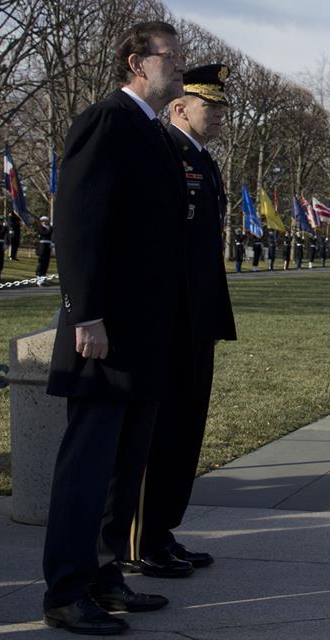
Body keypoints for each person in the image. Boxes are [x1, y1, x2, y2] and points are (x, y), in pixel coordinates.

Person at [41, 20, 187, 635]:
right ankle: (66, 590)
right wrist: (87, 313)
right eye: (171, 58)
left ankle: (104, 576)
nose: (180, 68)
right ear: (137, 62)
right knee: (87, 464)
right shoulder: (108, 120)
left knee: (123, 466)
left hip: (144, 333)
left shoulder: (150, 131)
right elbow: (79, 222)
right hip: (104, 329)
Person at [125, 63, 237, 580]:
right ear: (179, 106)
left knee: (185, 429)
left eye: (220, 107)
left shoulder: (202, 160)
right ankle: (138, 537)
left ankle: (162, 529)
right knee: (158, 431)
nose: (218, 116)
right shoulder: (163, 151)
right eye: (209, 106)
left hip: (197, 314)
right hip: (168, 315)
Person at [35, 216, 54, 285]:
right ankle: (39, 276)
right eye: (43, 221)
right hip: (42, 246)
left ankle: (43, 277)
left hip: (48, 245)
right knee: (41, 262)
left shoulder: (49, 228)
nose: (45, 222)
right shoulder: (40, 227)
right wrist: (51, 228)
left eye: (46, 221)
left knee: (46, 262)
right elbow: (44, 233)